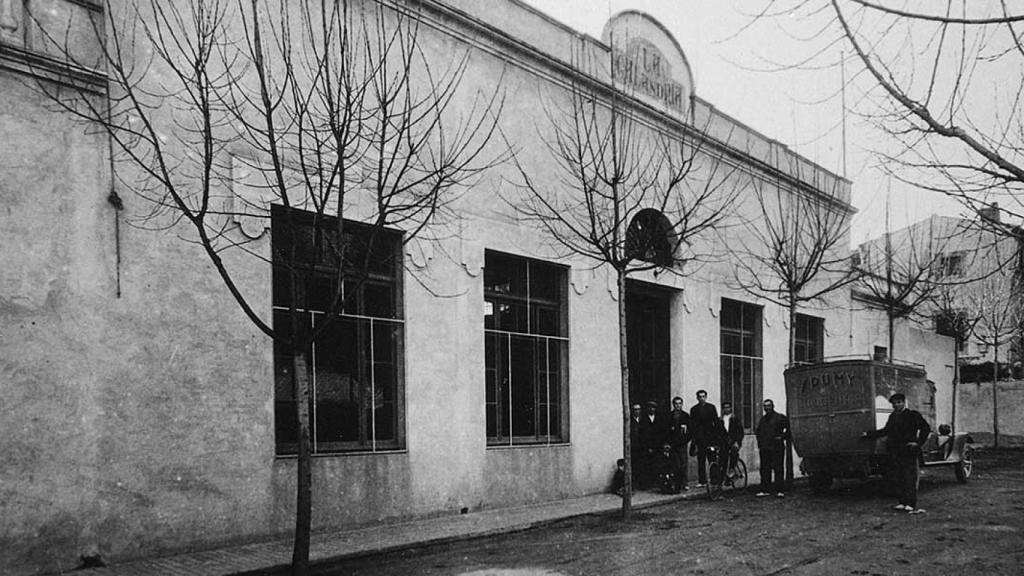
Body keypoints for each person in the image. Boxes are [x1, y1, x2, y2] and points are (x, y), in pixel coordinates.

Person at [862, 393, 932, 514]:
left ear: (904, 402)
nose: (896, 405)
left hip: (908, 450)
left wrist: (918, 443)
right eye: (894, 403)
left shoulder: (912, 415)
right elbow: (885, 431)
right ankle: (902, 502)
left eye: (899, 402)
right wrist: (868, 434)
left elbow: (925, 428)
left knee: (909, 476)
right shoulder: (893, 417)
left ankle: (910, 503)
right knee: (897, 476)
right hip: (894, 451)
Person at [755, 399, 790, 497]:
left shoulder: (780, 417)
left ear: (773, 406)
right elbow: (759, 432)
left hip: (777, 448)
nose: (767, 408)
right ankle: (765, 489)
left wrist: (782, 437)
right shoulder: (763, 419)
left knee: (778, 469)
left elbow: (789, 429)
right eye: (765, 406)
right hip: (765, 448)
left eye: (768, 406)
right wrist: (760, 444)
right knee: (765, 469)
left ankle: (780, 490)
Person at [690, 390, 719, 487]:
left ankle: (714, 480)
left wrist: (715, 438)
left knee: (712, 459)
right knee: (701, 460)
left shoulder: (711, 408)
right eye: (700, 397)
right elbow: (693, 425)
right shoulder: (694, 409)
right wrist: (694, 439)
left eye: (703, 396)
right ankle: (702, 481)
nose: (702, 398)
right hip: (700, 438)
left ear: (706, 397)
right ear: (697, 398)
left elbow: (716, 423)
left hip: (710, 438)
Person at [638, 400, 668, 489]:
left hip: (658, 446)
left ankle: (657, 483)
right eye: (649, 407)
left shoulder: (660, 418)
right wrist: (647, 446)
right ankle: (647, 483)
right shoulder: (643, 419)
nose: (651, 409)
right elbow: (642, 434)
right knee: (647, 465)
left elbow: (663, 432)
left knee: (658, 464)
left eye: (653, 407)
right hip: (647, 446)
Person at [668, 396, 691, 491]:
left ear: (682, 404)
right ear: (673, 405)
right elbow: (666, 430)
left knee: (683, 463)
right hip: (673, 443)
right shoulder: (669, 416)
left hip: (682, 443)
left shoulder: (686, 416)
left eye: (679, 403)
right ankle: (676, 483)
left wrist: (685, 440)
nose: (678, 405)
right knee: (674, 464)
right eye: (676, 404)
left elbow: (690, 430)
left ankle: (685, 483)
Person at [720, 401, 745, 477]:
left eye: (728, 407)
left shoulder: (735, 419)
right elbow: (717, 432)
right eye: (724, 408)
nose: (726, 409)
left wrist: (737, 441)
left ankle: (732, 469)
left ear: (730, 408)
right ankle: (723, 475)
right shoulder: (720, 420)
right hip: (724, 441)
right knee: (722, 456)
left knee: (734, 453)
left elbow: (740, 432)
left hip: (734, 441)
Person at [629, 403, 642, 488]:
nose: (637, 411)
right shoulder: (629, 421)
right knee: (634, 465)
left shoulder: (643, 420)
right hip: (634, 447)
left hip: (642, 447)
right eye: (635, 409)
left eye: (638, 409)